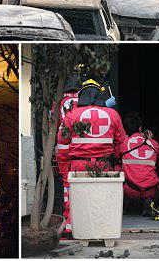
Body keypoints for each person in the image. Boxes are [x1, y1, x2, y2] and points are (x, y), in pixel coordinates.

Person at [61, 79, 126, 232]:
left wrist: (64, 167)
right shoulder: (113, 114)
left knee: (77, 200)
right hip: (104, 165)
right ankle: (101, 231)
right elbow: (121, 142)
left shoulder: (71, 115)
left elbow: (62, 142)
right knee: (102, 199)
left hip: (78, 165)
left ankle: (72, 230)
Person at [54, 74, 82, 237]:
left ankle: (68, 222)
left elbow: (54, 121)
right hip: (80, 146)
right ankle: (77, 220)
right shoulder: (83, 100)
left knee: (67, 184)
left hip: (63, 144)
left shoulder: (59, 101)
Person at [120, 112, 159, 203]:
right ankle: (147, 202)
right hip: (150, 191)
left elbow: (116, 158)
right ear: (140, 128)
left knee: (118, 166)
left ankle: (124, 204)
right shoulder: (153, 143)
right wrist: (150, 140)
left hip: (129, 190)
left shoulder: (123, 144)